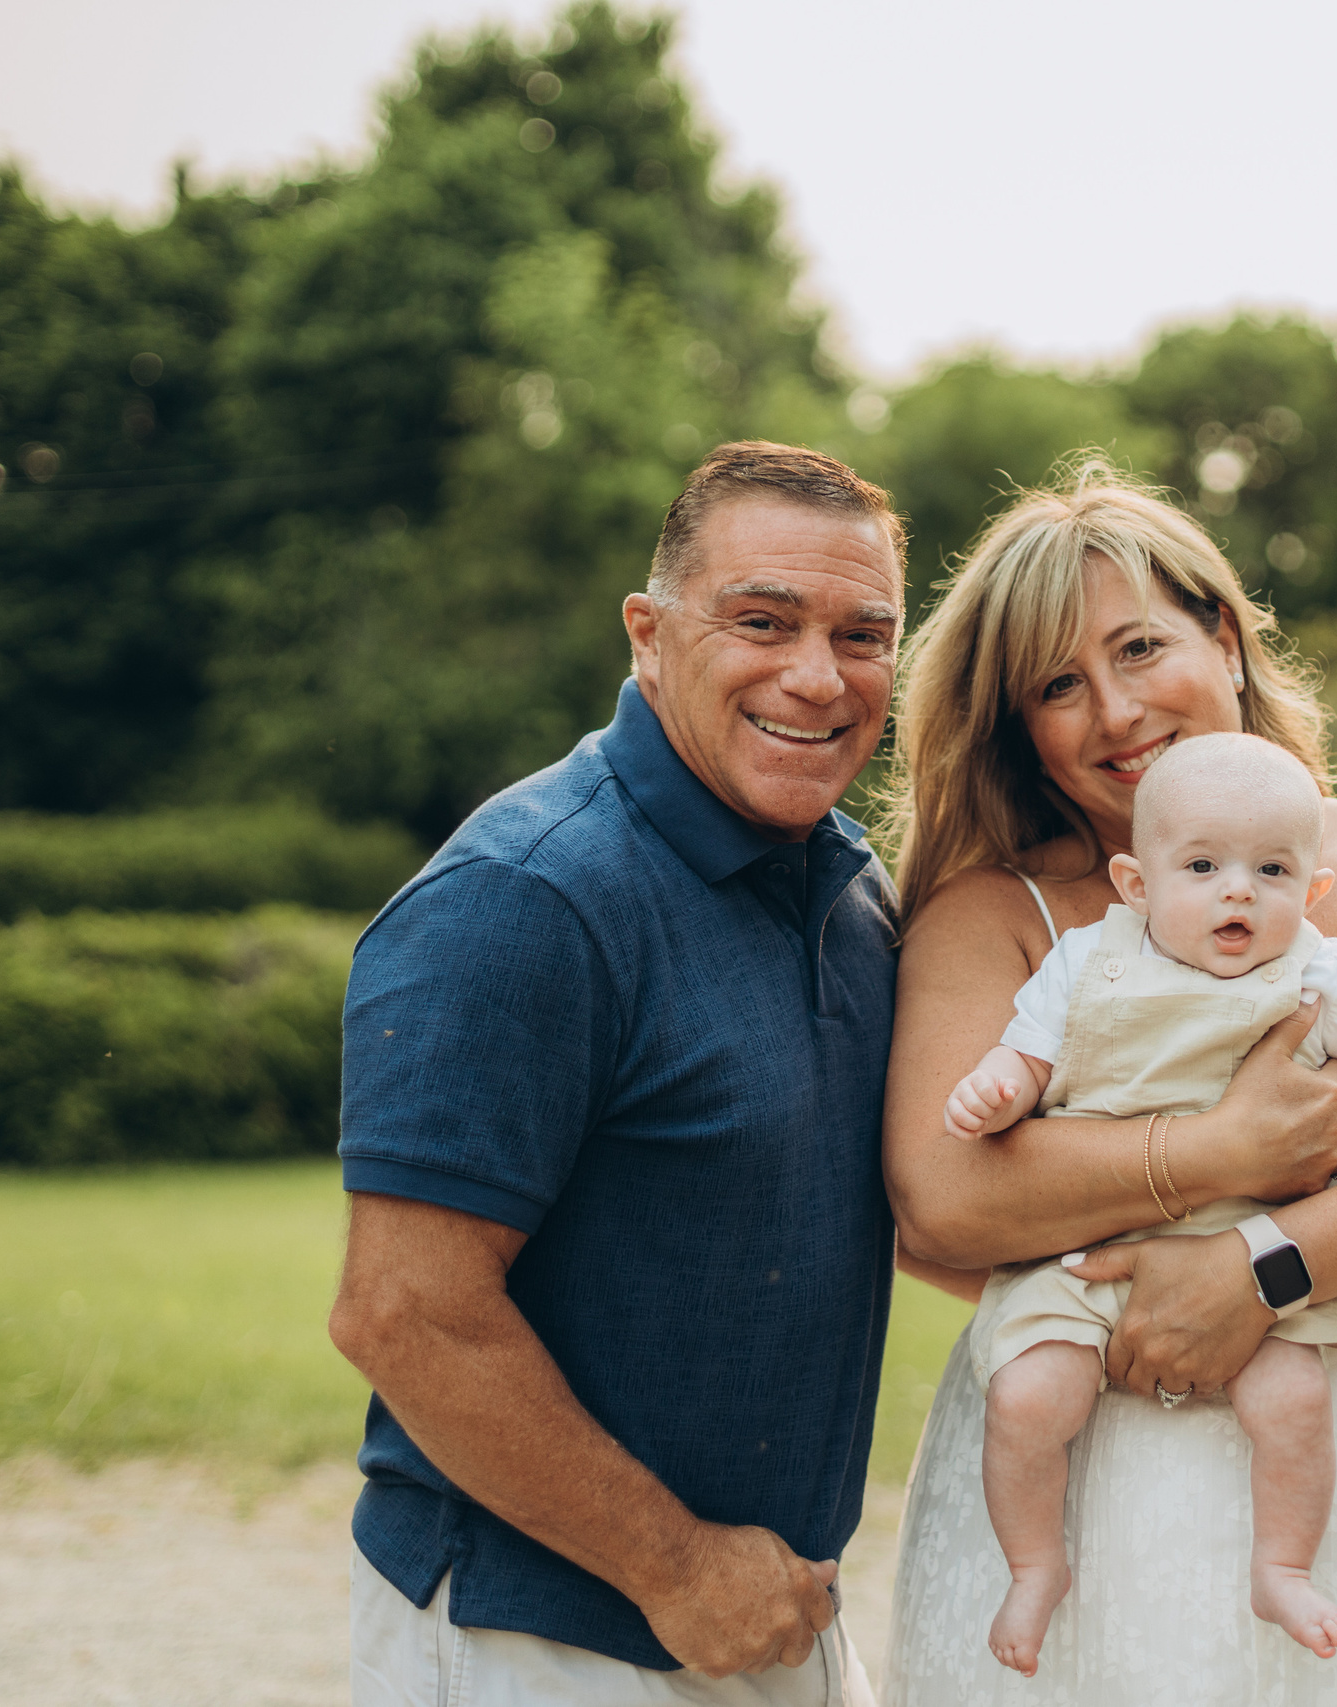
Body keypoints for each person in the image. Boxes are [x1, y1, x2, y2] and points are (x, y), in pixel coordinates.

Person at [875, 461, 1337, 1705]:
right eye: (1058, 686)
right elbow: (938, 1203)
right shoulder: (995, 914)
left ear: (1227, 633)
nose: (1118, 712)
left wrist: (1258, 1266)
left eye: (1142, 646)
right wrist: (1218, 1155)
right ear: (1018, 730)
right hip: (1077, 1460)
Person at [327, 441, 907, 1706]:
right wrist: (679, 1567)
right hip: (538, 1639)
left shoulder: (852, 892)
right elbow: (403, 1312)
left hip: (771, 1618)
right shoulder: (524, 897)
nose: (818, 676)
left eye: (864, 636)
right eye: (763, 621)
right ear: (648, 634)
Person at [944, 731, 1337, 1675]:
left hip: (1250, 1240)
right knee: (1028, 1394)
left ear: (1313, 890)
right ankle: (1036, 1563)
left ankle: (1281, 1565)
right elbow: (1027, 1054)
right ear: (1136, 883)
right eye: (1202, 866)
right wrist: (996, 1087)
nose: (1237, 889)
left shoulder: (1322, 971)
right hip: (1081, 1245)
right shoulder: (1087, 960)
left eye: (1271, 869)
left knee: (1293, 1400)